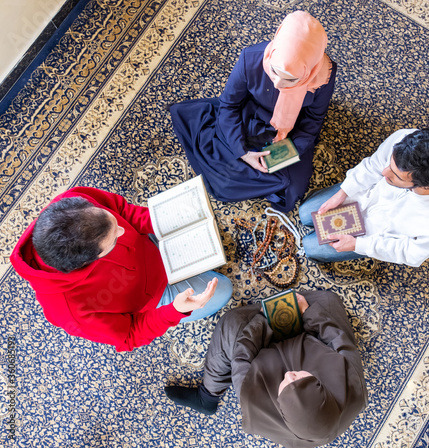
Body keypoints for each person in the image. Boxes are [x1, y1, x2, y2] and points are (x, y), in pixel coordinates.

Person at [10, 186, 233, 352]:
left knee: (206, 228)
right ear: (90, 262)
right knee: (224, 288)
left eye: (112, 222)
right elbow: (129, 335)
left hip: (150, 243)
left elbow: (123, 211)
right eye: (113, 240)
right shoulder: (70, 311)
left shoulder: (72, 201)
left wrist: (159, 222)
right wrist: (174, 311)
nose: (122, 231)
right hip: (157, 296)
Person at [169, 10, 337, 213]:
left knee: (291, 191)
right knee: (226, 180)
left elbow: (312, 121)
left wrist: (285, 153)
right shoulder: (251, 58)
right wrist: (244, 153)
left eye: (291, 80)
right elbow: (229, 105)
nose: (277, 83)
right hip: (250, 116)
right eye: (274, 71)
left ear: (310, 69)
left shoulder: (324, 76)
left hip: (291, 129)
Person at [165, 290, 368, 448]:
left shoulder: (252, 400)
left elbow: (243, 354)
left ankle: (207, 396)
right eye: (299, 378)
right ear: (323, 387)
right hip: (310, 340)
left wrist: (261, 321)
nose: (289, 375)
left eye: (286, 385)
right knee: (329, 301)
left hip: (261, 350)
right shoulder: (352, 379)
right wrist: (308, 312)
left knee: (230, 324)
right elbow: (337, 337)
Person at [298, 129, 429, 266]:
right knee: (305, 212)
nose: (384, 173)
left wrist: (359, 244)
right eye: (390, 165)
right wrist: (343, 193)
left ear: (425, 185)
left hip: (371, 236)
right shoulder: (406, 140)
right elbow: (373, 166)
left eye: (396, 175)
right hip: (364, 195)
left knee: (310, 247)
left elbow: (409, 254)